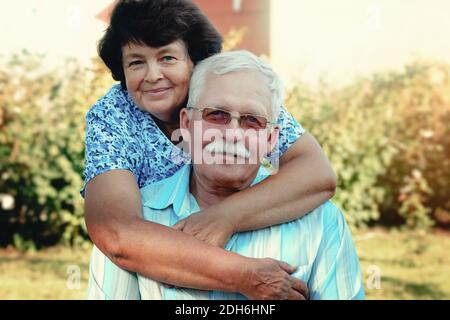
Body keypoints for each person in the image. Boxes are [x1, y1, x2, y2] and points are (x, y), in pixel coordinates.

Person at [84, 0, 337, 298]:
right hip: (156, 273)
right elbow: (116, 232)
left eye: (167, 58)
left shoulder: (228, 91)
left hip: (250, 236)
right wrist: (244, 275)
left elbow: (317, 174)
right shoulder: (113, 115)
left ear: (195, 61)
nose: (152, 75)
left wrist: (224, 217)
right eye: (136, 62)